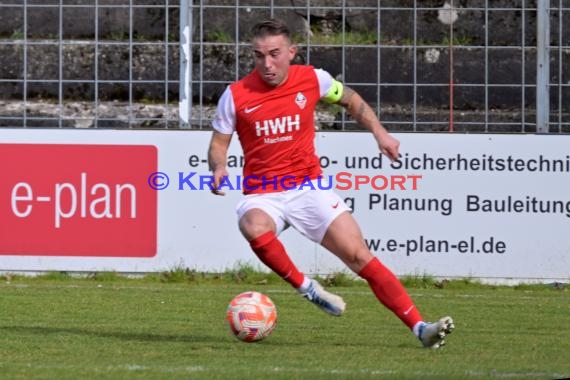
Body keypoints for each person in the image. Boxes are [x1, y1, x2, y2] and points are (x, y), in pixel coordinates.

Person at [207, 18, 454, 348]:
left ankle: (420, 328)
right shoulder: (235, 95)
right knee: (252, 225)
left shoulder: (313, 79)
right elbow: (218, 143)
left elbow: (350, 99)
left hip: (309, 188)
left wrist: (380, 133)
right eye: (258, 55)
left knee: (359, 256)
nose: (267, 63)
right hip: (264, 194)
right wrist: (219, 166)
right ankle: (307, 288)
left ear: (291, 52)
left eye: (275, 54)